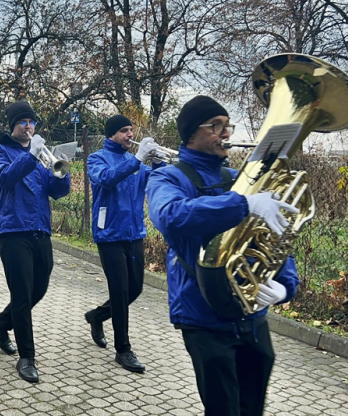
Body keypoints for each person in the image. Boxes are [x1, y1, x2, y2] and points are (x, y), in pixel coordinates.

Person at [146, 95, 300, 416]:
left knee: (252, 407)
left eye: (227, 126)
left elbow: (273, 238)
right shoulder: (168, 178)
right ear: (191, 133)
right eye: (215, 126)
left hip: (252, 315)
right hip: (203, 317)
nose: (226, 133)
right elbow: (171, 215)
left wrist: (286, 284)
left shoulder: (238, 178)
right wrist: (243, 205)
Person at [0, 100, 70, 383]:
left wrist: (61, 173)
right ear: (12, 126)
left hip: (39, 228)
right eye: (23, 122)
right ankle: (27, 356)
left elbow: (57, 192)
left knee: (40, 288)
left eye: (31, 122)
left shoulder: (41, 154)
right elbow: (4, 179)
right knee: (22, 293)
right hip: (11, 230)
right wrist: (31, 156)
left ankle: (0, 323)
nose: (28, 127)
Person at [84, 115, 165, 373]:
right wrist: (138, 159)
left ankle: (96, 316)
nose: (129, 134)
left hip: (134, 233)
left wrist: (161, 164)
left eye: (131, 130)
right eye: (123, 131)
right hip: (109, 234)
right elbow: (106, 179)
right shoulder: (96, 159)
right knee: (119, 291)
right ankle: (123, 349)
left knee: (135, 289)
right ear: (111, 135)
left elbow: (154, 182)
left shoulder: (137, 163)